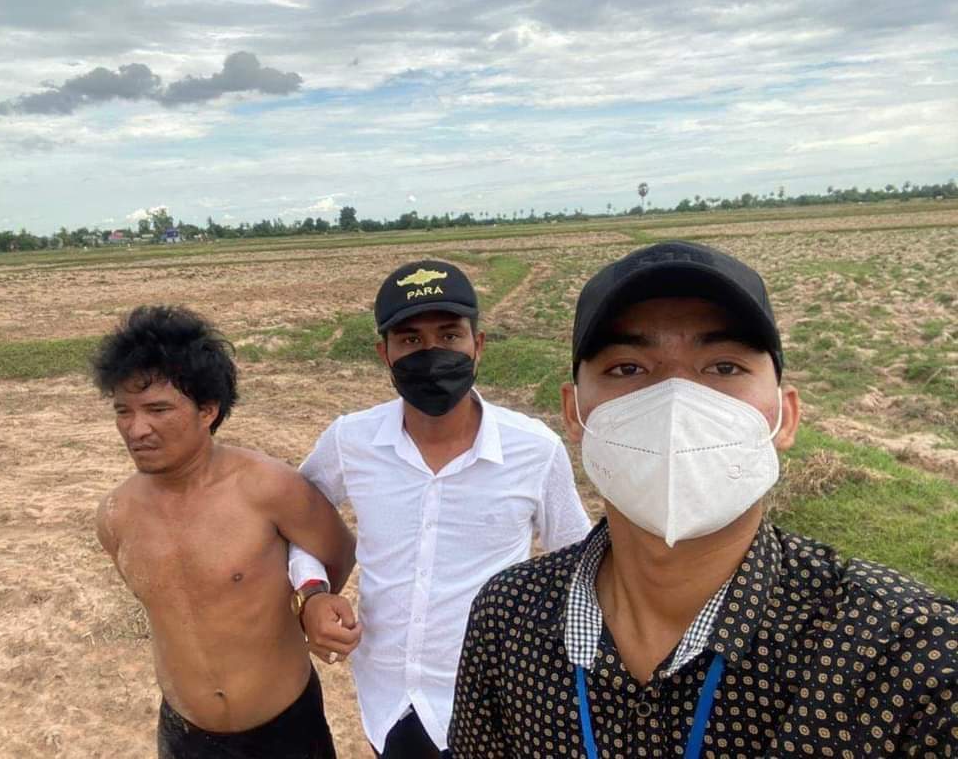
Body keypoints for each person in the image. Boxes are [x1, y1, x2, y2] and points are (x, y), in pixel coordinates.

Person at [449, 241, 958, 758]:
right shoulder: (506, 618)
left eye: (723, 367)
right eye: (628, 368)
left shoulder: (910, 654)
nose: (676, 401)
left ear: (785, 417)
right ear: (574, 414)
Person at [287, 260, 593, 758]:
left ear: (478, 345)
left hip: (493, 699)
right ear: (384, 354)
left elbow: (578, 560)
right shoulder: (350, 440)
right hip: (387, 696)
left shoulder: (534, 449)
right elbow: (296, 521)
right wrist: (313, 594)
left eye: (449, 336)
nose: (432, 353)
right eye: (410, 340)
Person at [91, 305, 356, 759]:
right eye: (123, 411)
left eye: (158, 409)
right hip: (184, 733)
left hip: (285, 729)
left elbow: (338, 553)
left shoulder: (271, 487)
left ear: (208, 410)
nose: (136, 429)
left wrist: (310, 601)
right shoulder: (116, 515)